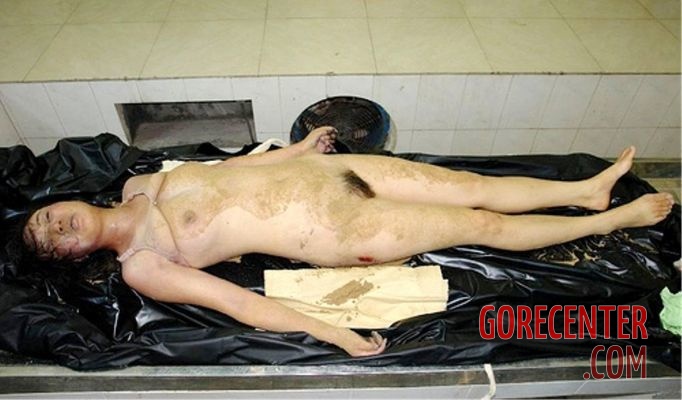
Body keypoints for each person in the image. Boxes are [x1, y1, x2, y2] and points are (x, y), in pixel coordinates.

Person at [21, 126, 674, 357]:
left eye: (47, 216)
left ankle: (586, 189)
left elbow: (226, 171)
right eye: (49, 239)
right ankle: (604, 221)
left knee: (471, 185)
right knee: (483, 227)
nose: (55, 225)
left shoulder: (140, 183)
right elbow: (241, 306)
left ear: (63, 201)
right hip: (342, 230)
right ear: (71, 256)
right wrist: (333, 333)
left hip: (330, 173)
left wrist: (298, 149)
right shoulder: (142, 266)